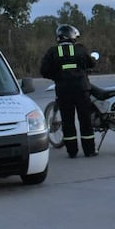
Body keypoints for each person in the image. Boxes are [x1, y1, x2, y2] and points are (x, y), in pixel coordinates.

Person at [40, 24, 98, 158]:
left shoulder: (52, 51)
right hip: (81, 89)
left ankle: (72, 151)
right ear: (72, 35)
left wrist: (57, 77)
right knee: (85, 120)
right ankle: (89, 150)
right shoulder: (80, 49)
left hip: (63, 90)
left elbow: (44, 71)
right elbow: (91, 64)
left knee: (67, 121)